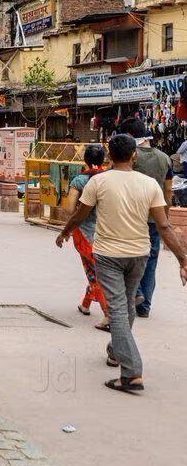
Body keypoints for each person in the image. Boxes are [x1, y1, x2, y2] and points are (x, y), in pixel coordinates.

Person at [56, 134, 187, 394]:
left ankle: (132, 371)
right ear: (134, 155)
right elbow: (163, 225)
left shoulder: (99, 182)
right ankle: (116, 352)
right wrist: (183, 258)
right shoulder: (150, 185)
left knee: (117, 310)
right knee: (126, 305)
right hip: (139, 255)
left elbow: (79, 215)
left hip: (108, 255)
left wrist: (64, 233)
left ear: (109, 157)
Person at [118, 118, 172, 319]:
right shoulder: (164, 158)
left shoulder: (131, 157)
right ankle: (145, 305)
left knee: (130, 256)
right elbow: (167, 189)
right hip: (154, 217)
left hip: (132, 216)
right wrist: (164, 216)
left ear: (129, 137)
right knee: (151, 260)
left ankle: (137, 293)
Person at [64, 144, 110, 332]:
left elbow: (69, 209)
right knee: (95, 270)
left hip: (85, 232)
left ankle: (108, 314)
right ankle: (85, 304)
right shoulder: (110, 177)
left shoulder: (80, 180)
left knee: (94, 271)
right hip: (110, 231)